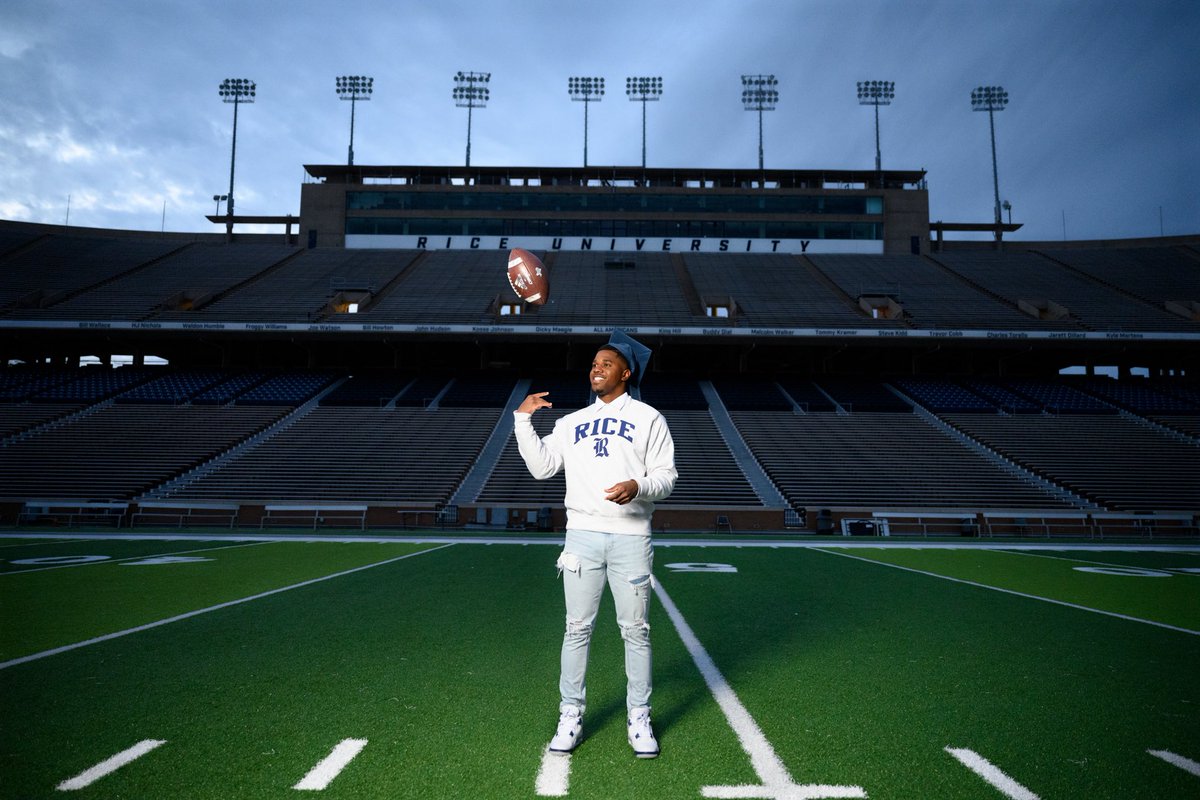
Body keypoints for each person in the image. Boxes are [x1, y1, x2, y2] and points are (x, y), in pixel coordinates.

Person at [513, 330, 677, 759]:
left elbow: (666, 477)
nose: (596, 368)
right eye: (593, 363)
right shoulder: (571, 423)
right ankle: (571, 714)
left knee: (636, 632)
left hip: (631, 539)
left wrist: (637, 485)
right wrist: (522, 419)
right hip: (581, 537)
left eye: (606, 363)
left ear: (626, 373)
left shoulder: (648, 417)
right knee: (576, 629)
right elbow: (542, 468)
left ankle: (638, 716)